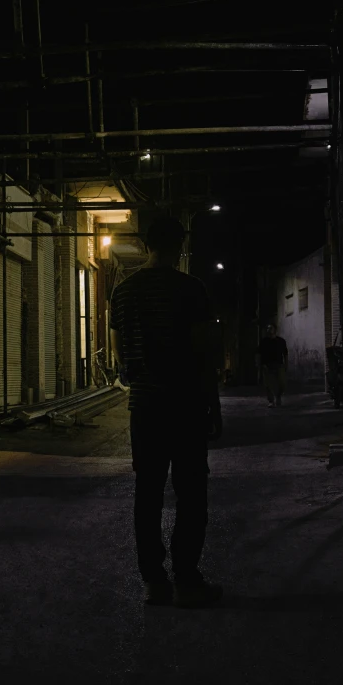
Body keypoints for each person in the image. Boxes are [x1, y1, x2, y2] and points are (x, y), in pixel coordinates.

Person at [110, 215, 223, 609]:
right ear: (179, 246)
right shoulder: (190, 289)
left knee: (148, 492)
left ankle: (153, 582)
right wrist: (212, 405)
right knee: (191, 493)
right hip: (186, 406)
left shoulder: (122, 292)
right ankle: (187, 578)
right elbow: (203, 350)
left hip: (145, 408)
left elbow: (120, 357)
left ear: (145, 244)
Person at [258, 323, 288, 408]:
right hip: (267, 366)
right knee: (268, 384)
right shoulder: (264, 342)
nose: (268, 330)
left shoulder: (281, 341)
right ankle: (271, 401)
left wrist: (286, 365)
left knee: (282, 383)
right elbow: (259, 354)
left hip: (279, 365)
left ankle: (278, 396)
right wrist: (261, 365)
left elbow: (285, 354)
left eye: (270, 328)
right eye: (267, 328)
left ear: (275, 329)